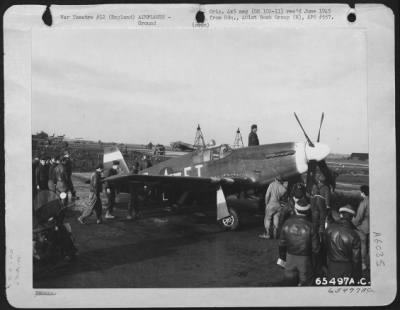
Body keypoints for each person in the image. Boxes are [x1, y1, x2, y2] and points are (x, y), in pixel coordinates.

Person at [278, 197, 320, 286]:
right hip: (305, 259)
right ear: (308, 211)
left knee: (289, 283)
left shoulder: (287, 223)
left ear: (295, 209)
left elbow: (281, 244)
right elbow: (316, 249)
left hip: (289, 257)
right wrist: (316, 264)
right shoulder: (312, 226)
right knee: (306, 284)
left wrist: (282, 258)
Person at [325, 205, 362, 280]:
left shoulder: (329, 229)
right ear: (352, 217)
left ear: (341, 215)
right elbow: (356, 259)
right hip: (347, 268)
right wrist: (358, 275)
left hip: (332, 266)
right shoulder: (354, 235)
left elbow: (324, 248)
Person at [352, 185, 369, 271]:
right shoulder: (373, 200)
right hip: (372, 225)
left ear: (363, 193)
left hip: (363, 227)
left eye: (361, 192)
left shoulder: (363, 203)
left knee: (363, 245)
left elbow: (359, 216)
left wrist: (353, 222)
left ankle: (363, 263)